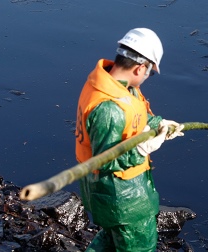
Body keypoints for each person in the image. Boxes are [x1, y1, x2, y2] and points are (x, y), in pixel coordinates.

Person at [75, 28, 184, 251]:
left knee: (111, 240)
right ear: (140, 67)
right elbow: (103, 161)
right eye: (149, 72)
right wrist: (142, 150)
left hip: (113, 196)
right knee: (138, 244)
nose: (147, 77)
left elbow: (134, 116)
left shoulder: (116, 86)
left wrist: (158, 123)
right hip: (123, 197)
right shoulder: (108, 109)